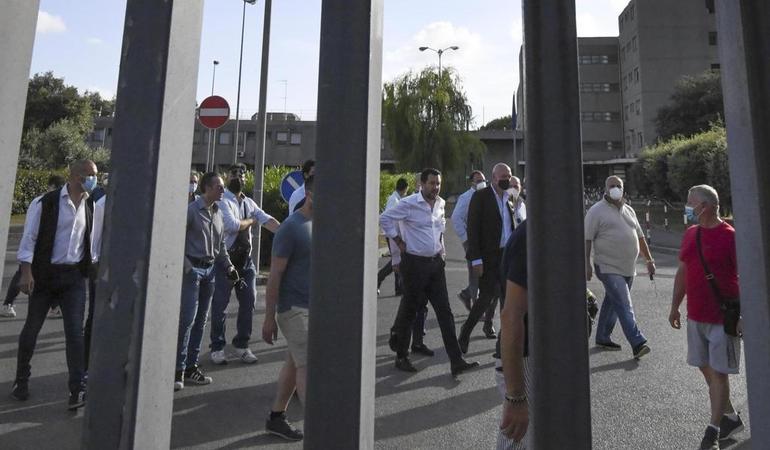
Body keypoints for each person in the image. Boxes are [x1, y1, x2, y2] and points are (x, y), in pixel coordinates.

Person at [11, 160, 98, 410]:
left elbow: (90, 243)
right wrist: (26, 272)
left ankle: (76, 389)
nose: (94, 179)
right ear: (75, 176)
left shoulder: (91, 205)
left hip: (73, 278)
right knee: (32, 329)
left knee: (75, 333)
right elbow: (29, 239)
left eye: (95, 175)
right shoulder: (44, 203)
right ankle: (21, 381)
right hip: (45, 275)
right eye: (90, 175)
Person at [380, 168, 479, 377]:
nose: (435, 187)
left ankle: (456, 360)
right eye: (432, 183)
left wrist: (442, 252)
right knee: (410, 310)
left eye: (438, 184)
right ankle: (401, 355)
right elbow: (385, 219)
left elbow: (439, 230)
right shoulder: (409, 204)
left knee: (445, 312)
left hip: (435, 265)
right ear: (422, 184)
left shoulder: (441, 204)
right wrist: (397, 241)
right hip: (414, 264)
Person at [669, 185, 744, 449]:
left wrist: (744, 314)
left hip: (723, 317)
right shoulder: (691, 234)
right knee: (706, 368)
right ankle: (731, 417)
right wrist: (674, 306)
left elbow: (746, 276)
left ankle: (712, 432)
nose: (687, 207)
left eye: (691, 203)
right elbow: (683, 272)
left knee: (719, 374)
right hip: (696, 315)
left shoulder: (731, 236)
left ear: (707, 206)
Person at [209, 164, 280, 365]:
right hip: (226, 261)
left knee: (249, 302)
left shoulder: (249, 202)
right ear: (228, 177)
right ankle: (217, 347)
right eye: (234, 173)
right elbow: (231, 225)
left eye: (242, 174)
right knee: (220, 306)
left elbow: (267, 220)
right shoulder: (223, 201)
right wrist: (250, 221)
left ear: (246, 179)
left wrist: (285, 232)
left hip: (245, 263)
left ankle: (242, 345)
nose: (238, 176)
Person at [261, 176, 315, 441]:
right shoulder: (291, 228)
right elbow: (275, 275)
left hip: (313, 307)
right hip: (293, 308)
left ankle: (276, 417)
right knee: (308, 363)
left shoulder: (320, 224)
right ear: (308, 193)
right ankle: (320, 429)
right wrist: (269, 318)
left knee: (294, 365)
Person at [175, 172, 238, 391]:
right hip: (193, 270)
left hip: (210, 271)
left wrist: (228, 266)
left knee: (201, 320)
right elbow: (176, 241)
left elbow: (220, 246)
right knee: (187, 320)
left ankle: (191, 366)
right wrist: (187, 267)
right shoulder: (192, 211)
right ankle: (178, 369)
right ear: (207, 188)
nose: (223, 190)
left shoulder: (218, 211)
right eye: (219, 187)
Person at [585, 175, 653, 359]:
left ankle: (602, 337)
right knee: (624, 302)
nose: (615, 188)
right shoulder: (596, 211)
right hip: (607, 266)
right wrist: (587, 264)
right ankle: (637, 342)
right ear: (605, 189)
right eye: (611, 185)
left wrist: (649, 260)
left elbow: (639, 237)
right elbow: (587, 239)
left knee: (614, 302)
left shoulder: (629, 210)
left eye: (618, 185)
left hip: (628, 268)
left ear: (623, 188)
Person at [458, 163, 518, 352]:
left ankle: (503, 342)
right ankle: (465, 331)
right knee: (485, 297)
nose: (506, 179)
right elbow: (473, 229)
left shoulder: (510, 198)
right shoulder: (481, 197)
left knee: (508, 300)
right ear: (493, 178)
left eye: (509, 175)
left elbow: (512, 227)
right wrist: (476, 259)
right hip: (488, 258)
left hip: (507, 256)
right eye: (502, 176)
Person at [2, 175, 66, 318]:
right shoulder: (40, 202)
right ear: (51, 187)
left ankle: (54, 307)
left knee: (52, 277)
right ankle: (7, 304)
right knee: (22, 274)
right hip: (35, 248)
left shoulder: (57, 202)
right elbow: (31, 230)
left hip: (46, 249)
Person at [499, 219, 530, 450]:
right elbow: (511, 317)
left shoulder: (553, 230)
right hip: (527, 361)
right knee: (518, 441)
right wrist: (516, 396)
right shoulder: (530, 237)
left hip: (540, 359)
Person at [452, 170, 487, 311]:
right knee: (475, 274)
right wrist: (467, 240)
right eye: (478, 181)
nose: (482, 183)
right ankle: (476, 308)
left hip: (484, 242)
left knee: (484, 273)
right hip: (472, 242)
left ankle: (467, 294)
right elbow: (456, 218)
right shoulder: (466, 198)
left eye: (483, 180)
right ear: (472, 182)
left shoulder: (485, 195)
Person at [84, 194, 106, 371]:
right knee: (95, 316)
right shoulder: (102, 205)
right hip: (103, 271)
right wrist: (97, 272)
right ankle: (86, 366)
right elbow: (94, 242)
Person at [377, 177, 409, 295]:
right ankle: (379, 278)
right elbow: (388, 218)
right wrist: (395, 236)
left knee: (397, 261)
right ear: (405, 188)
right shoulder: (394, 200)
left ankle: (398, 288)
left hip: (393, 234)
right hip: (392, 235)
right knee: (396, 261)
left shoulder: (396, 198)